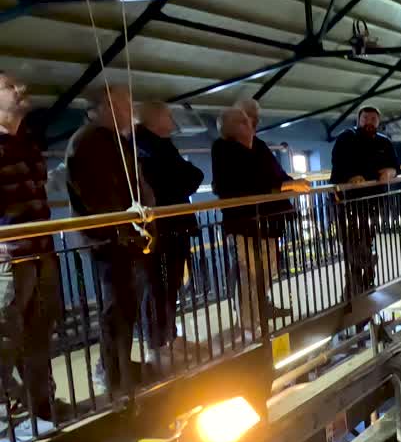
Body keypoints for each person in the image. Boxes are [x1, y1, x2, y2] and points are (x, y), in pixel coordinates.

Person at [66, 85, 156, 396]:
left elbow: (136, 182)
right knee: (117, 308)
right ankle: (111, 369)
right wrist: (126, 218)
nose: (130, 112)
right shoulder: (88, 141)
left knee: (126, 307)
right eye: (123, 105)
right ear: (105, 107)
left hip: (125, 237)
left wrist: (143, 209)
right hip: (109, 241)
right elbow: (97, 194)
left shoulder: (116, 141)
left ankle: (119, 364)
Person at [0, 72, 69, 433]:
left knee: (39, 337)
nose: (21, 90)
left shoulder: (26, 142)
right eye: (9, 87)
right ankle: (9, 420)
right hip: (7, 260)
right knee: (3, 340)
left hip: (40, 254)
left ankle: (42, 405)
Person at [212, 107, 308, 335]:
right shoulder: (223, 149)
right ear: (231, 128)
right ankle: (248, 323)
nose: (250, 125)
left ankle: (257, 314)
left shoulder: (260, 147)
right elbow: (232, 186)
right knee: (249, 273)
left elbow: (278, 173)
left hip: (269, 221)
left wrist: (292, 183)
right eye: (244, 121)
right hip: (243, 222)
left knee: (268, 268)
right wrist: (282, 186)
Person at [135, 102, 203, 366]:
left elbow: (192, 176)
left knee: (169, 285)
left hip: (174, 226)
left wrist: (181, 177)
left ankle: (169, 336)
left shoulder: (162, 144)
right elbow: (178, 178)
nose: (173, 119)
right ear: (154, 119)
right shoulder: (144, 145)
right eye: (167, 115)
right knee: (157, 288)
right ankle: (157, 344)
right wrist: (181, 177)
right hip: (160, 228)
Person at [329, 106, 399, 299]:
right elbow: (338, 162)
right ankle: (355, 282)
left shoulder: (384, 142)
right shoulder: (346, 137)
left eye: (373, 118)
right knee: (350, 241)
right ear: (358, 120)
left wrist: (390, 172)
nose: (369, 121)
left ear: (378, 121)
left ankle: (365, 279)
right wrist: (352, 177)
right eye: (365, 118)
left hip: (373, 201)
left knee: (367, 238)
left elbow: (395, 165)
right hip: (347, 201)